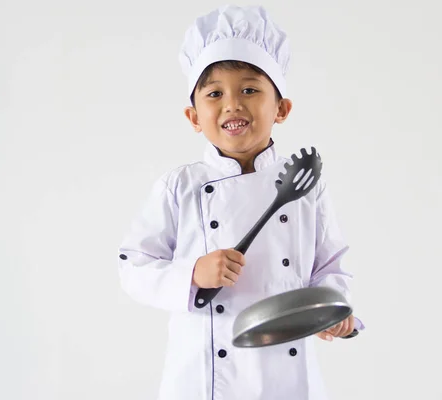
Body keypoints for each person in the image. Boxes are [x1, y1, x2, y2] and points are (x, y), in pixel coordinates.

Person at [117, 5, 363, 399]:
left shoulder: (306, 186)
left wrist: (336, 311)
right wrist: (192, 274)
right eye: (215, 94)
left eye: (250, 89)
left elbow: (331, 266)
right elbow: (133, 267)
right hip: (204, 378)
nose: (233, 104)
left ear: (281, 108)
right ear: (194, 116)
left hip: (288, 373)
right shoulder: (179, 186)